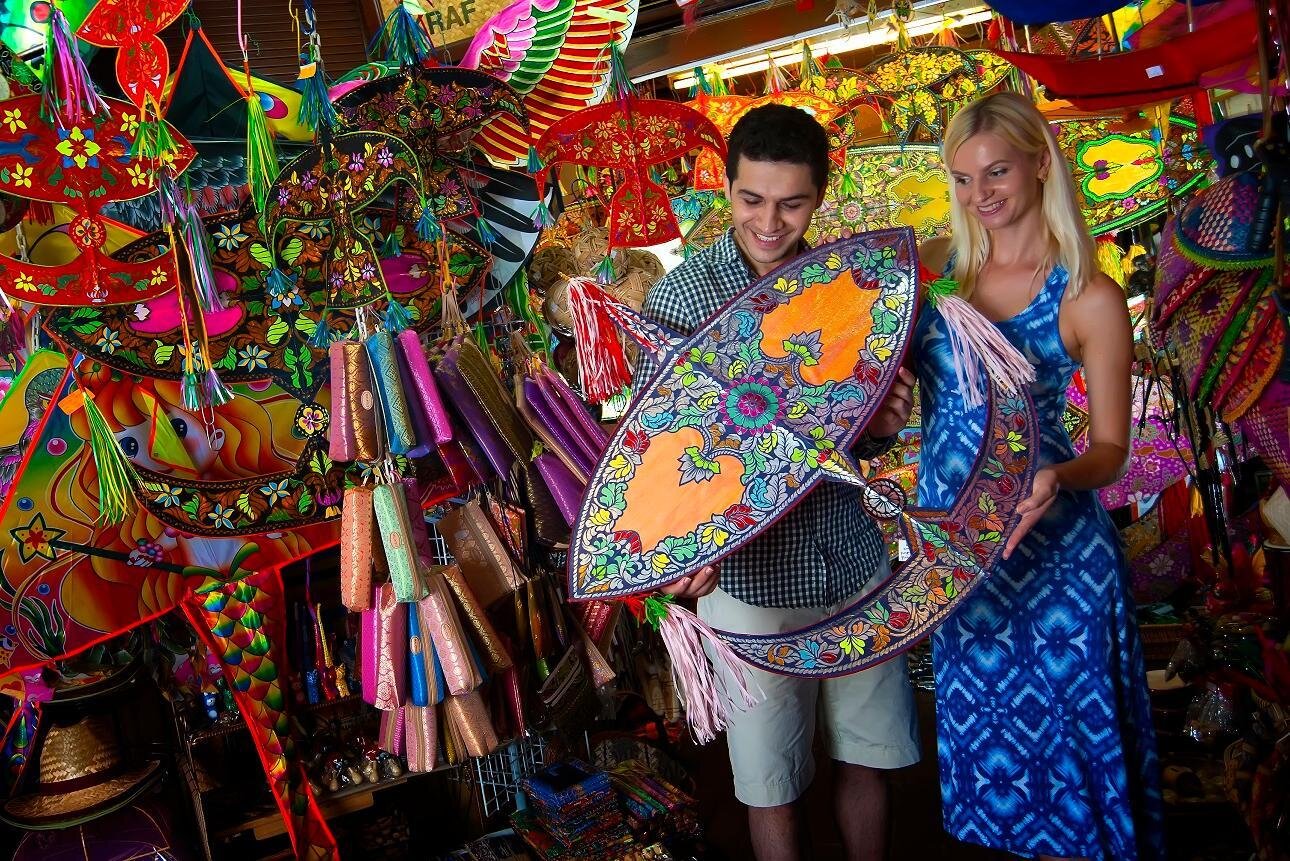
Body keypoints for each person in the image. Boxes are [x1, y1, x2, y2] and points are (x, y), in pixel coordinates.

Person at [637, 103, 920, 861]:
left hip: (853, 557)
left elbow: (858, 425)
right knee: (770, 782)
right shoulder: (682, 300)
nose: (769, 222)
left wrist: (884, 425)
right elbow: (660, 453)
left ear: (819, 195)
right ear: (725, 187)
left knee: (868, 756)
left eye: (791, 203)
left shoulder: (850, 288)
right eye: (751, 199)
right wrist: (681, 555)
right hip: (749, 578)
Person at [913, 91, 1164, 860]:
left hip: (1058, 566)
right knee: (989, 780)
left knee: (1071, 767)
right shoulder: (941, 283)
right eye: (962, 179)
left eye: (996, 172)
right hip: (965, 564)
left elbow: (1112, 448)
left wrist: (1058, 472)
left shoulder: (1086, 293)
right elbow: (898, 404)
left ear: (1039, 164)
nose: (979, 194)